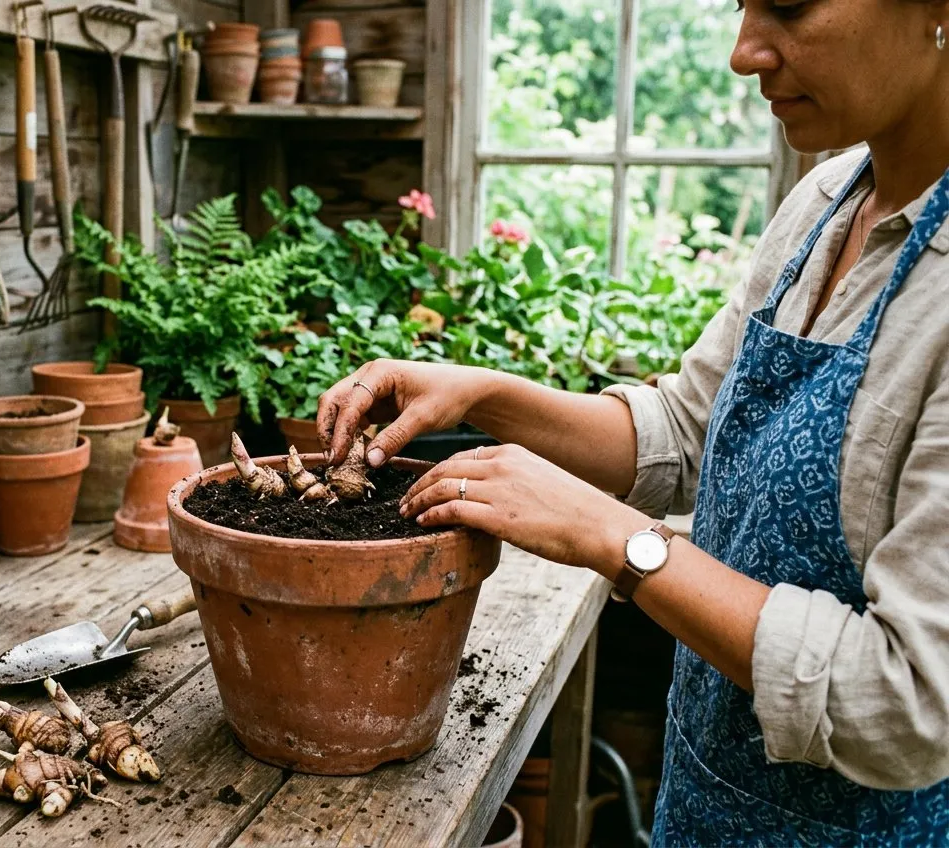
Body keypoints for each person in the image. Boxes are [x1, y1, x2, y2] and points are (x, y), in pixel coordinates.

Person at [317, 0, 949, 843]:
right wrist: (483, 393)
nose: (743, 53)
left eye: (789, 7)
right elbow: (688, 429)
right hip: (706, 801)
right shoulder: (827, 200)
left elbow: (905, 702)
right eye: (741, 7)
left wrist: (615, 538)